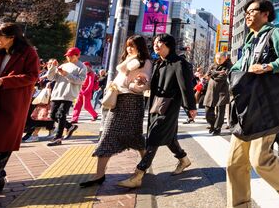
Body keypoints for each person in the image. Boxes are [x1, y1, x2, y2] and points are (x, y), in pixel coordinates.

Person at [226, 0, 279, 208]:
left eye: (251, 11)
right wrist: (233, 73)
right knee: (234, 164)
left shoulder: (274, 34)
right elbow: (238, 69)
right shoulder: (249, 42)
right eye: (246, 13)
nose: (247, 15)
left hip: (266, 107)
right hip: (246, 108)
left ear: (265, 14)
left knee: (259, 159)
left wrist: (268, 66)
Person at [118, 34, 196, 189]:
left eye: (159, 42)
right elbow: (153, 85)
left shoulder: (179, 63)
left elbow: (186, 87)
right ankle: (184, 159)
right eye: (154, 42)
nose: (155, 45)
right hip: (155, 104)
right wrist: (143, 81)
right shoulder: (159, 62)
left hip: (170, 105)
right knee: (169, 137)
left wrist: (191, 107)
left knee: (153, 136)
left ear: (169, 44)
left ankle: (138, 174)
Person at [80, 35, 152, 188]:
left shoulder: (144, 62)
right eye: (128, 46)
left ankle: (144, 167)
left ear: (140, 47)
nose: (129, 48)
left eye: (133, 46)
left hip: (132, 101)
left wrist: (138, 83)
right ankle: (99, 175)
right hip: (118, 101)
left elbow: (145, 82)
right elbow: (121, 71)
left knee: (135, 138)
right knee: (108, 136)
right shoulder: (128, 61)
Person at [0, 23, 40, 192]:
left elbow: (32, 76)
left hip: (13, 106)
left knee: (0, 143)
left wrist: (2, 81)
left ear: (11, 37)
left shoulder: (28, 53)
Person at [46, 47, 87, 146]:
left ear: (77, 56)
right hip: (57, 93)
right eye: (67, 56)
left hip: (69, 94)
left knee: (61, 114)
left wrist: (66, 74)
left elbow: (80, 81)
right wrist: (52, 67)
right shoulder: (64, 65)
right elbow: (51, 78)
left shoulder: (82, 67)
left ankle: (58, 138)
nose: (68, 57)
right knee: (52, 115)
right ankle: (69, 126)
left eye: (70, 56)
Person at [204, 52, 232, 136]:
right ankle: (212, 125)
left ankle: (217, 128)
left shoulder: (229, 65)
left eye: (220, 58)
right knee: (208, 110)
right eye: (217, 58)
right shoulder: (212, 65)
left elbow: (223, 76)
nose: (218, 60)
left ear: (225, 58)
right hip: (211, 90)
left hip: (222, 90)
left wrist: (214, 73)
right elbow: (207, 75)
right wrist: (218, 72)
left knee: (220, 110)